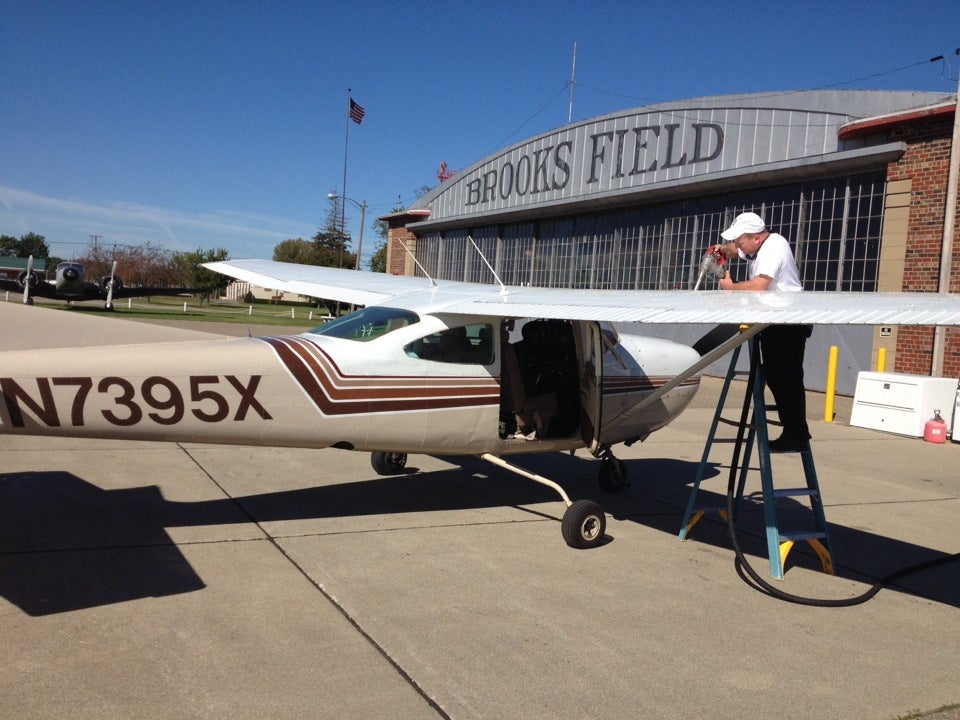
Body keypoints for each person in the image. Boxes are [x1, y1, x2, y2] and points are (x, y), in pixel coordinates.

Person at [714, 212, 812, 453]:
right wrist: (725, 250)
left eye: (740, 240)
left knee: (785, 378)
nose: (737, 245)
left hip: (787, 322)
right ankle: (794, 431)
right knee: (775, 373)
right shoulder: (758, 247)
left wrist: (731, 288)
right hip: (772, 320)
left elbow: (759, 286)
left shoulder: (774, 247)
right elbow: (739, 251)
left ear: (756, 238)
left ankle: (796, 434)